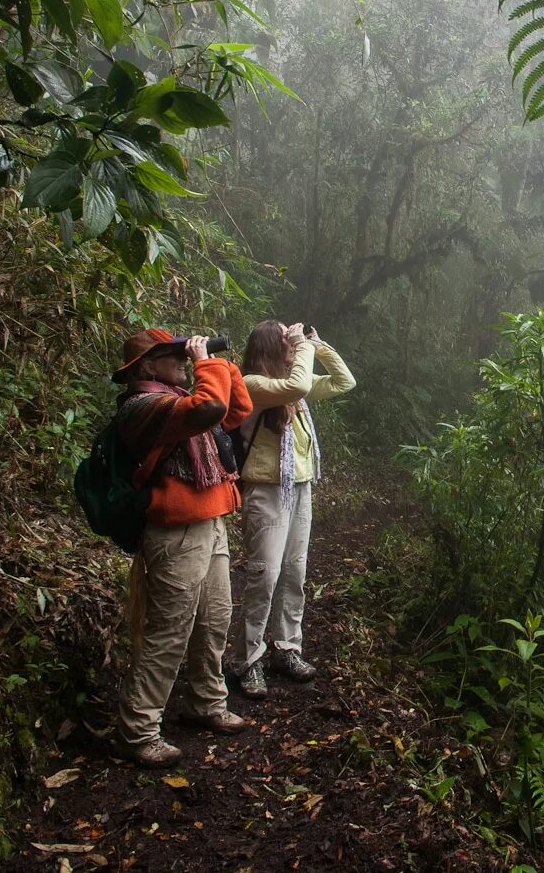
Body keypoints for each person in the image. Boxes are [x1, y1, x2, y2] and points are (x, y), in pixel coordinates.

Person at [111, 328, 254, 767]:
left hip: (210, 522)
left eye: (181, 352)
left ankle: (205, 702)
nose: (180, 359)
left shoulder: (177, 398)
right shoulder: (145, 407)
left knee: (215, 618)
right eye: (170, 355)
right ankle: (138, 729)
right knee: (169, 629)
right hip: (175, 532)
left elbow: (236, 411)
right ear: (146, 367)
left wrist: (221, 363)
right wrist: (204, 366)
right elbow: (209, 408)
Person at [230, 320, 356, 698]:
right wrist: (302, 347)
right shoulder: (254, 385)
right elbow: (297, 384)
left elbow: (343, 381)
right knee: (264, 576)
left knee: (294, 573)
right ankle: (248, 660)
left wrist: (317, 344)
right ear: (271, 348)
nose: (292, 347)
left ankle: (287, 648)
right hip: (266, 492)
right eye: (287, 342)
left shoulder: (290, 390)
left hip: (299, 488)